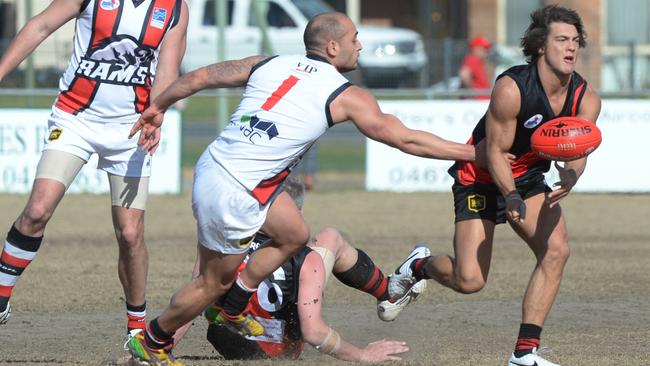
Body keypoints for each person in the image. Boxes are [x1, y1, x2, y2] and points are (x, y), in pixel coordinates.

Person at [126, 11, 484, 365]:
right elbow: (406, 139)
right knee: (210, 284)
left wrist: (158, 105)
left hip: (219, 166)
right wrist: (473, 153)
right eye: (354, 39)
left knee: (294, 232)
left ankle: (233, 307)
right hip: (236, 189)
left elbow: (204, 76)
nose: (359, 46)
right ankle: (154, 339)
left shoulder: (269, 63)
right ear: (332, 47)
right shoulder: (345, 95)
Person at [389, 5, 601, 366]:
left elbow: (578, 144)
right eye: (562, 40)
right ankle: (418, 266)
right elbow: (496, 153)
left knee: (556, 251)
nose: (571, 48)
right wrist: (511, 195)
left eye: (576, 41)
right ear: (539, 46)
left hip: (530, 177)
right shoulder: (511, 88)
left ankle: (524, 353)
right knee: (469, 280)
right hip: (482, 179)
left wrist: (573, 172)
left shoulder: (585, 97)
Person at [0, 0, 188, 339]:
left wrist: (157, 111)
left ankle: (135, 331)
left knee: (130, 234)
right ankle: (1, 294)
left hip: (130, 128)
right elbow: (39, 26)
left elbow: (167, 68)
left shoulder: (174, 7)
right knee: (38, 210)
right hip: (75, 118)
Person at [181, 176, 426, 362]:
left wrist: (159, 343)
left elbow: (192, 301)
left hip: (228, 338)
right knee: (330, 237)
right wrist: (362, 354)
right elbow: (315, 333)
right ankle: (388, 292)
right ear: (296, 212)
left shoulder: (224, 237)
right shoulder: (307, 259)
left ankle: (389, 292)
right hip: (281, 350)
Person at [459, 35, 492, 100]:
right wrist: (472, 95)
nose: (486, 52)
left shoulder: (478, 61)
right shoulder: (472, 59)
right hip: (476, 103)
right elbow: (464, 75)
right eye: (484, 48)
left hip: (481, 102)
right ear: (476, 48)